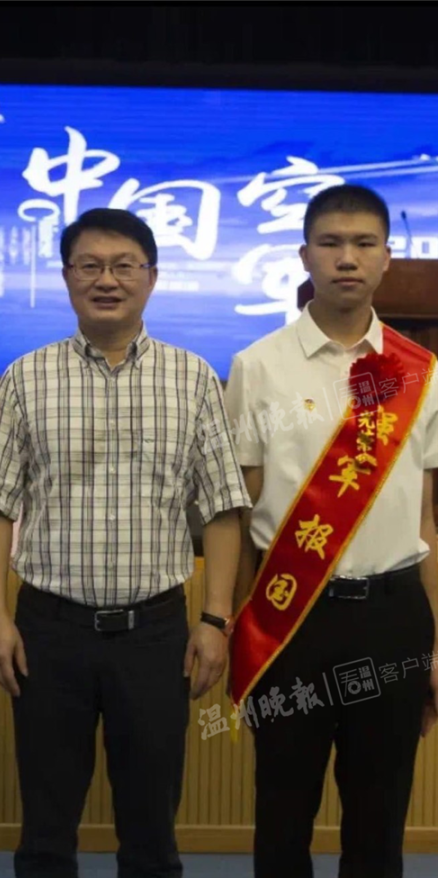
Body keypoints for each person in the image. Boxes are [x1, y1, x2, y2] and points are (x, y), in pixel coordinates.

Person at [0, 208, 250, 878]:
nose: (107, 280)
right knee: (45, 832)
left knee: (152, 834)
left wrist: (215, 620)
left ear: (152, 276)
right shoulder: (26, 376)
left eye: (124, 266)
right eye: (89, 265)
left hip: (156, 634)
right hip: (48, 631)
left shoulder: (193, 377)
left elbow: (222, 508)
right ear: (67, 276)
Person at [224, 184, 438, 878]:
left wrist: (436, 642)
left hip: (392, 616)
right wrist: (233, 622)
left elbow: (427, 519)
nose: (348, 258)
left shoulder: (422, 373)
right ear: (304, 256)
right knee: (282, 813)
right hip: (292, 615)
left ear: (387, 257)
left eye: (364, 243)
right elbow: (239, 513)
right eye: (332, 243)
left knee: (379, 819)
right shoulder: (257, 366)